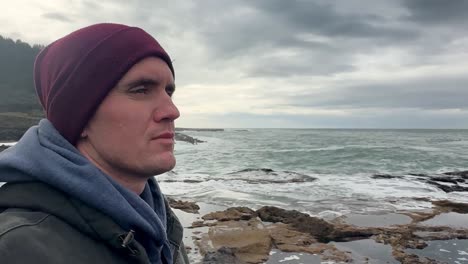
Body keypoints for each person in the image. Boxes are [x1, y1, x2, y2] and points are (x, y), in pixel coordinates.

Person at [0, 23, 189, 264]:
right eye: (141, 90)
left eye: (169, 91)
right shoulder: (17, 249)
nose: (172, 111)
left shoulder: (158, 220)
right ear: (80, 115)